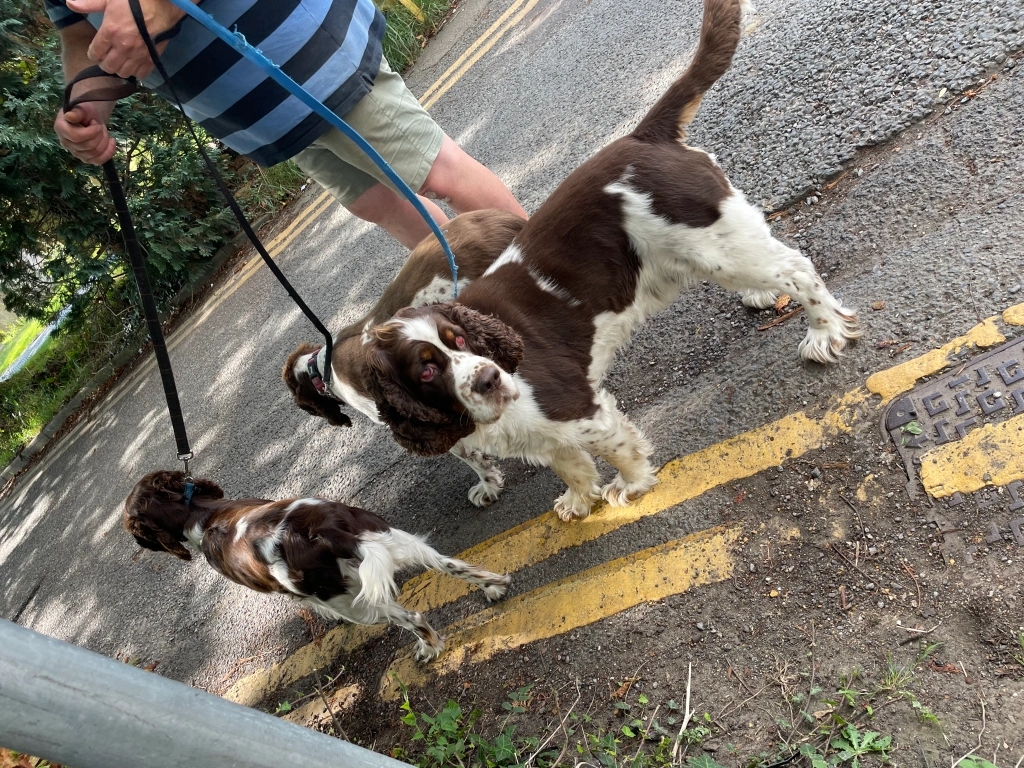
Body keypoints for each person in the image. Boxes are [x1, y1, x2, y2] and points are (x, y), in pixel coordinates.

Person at [46, 0, 527, 249]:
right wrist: (86, 102)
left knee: (437, 174)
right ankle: (494, 303)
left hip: (311, 58)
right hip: (258, 113)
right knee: (379, 204)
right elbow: (78, 35)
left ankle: (555, 289)